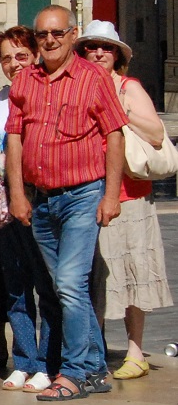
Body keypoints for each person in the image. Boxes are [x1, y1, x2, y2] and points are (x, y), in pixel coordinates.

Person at [5, 5, 127, 401]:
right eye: (42, 34)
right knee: (62, 287)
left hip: (82, 196)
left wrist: (111, 195)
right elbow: (15, 138)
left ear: (72, 35)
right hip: (40, 201)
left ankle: (72, 373)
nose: (50, 40)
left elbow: (114, 135)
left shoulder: (93, 79)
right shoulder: (27, 81)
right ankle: (93, 367)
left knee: (72, 285)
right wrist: (18, 194)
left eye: (58, 33)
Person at [75, 20, 173, 381]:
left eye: (106, 48)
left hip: (130, 197)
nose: (99, 53)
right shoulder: (78, 86)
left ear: (117, 55)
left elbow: (157, 133)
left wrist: (120, 108)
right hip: (89, 193)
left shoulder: (128, 87)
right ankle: (94, 349)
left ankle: (135, 351)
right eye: (91, 47)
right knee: (94, 277)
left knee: (133, 274)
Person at [0, 27, 57, 393]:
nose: (14, 64)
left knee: (46, 286)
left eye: (21, 56)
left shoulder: (47, 92)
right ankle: (24, 360)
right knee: (15, 286)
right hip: (3, 206)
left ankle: (47, 361)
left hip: (40, 203)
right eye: (6, 58)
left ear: (34, 56)